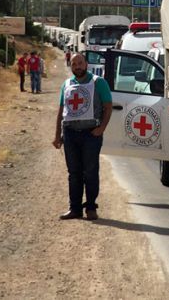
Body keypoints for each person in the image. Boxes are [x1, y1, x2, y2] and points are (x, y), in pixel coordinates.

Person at [52, 53, 112, 220]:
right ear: (71, 66)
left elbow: (108, 107)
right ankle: (75, 208)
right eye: (74, 64)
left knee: (90, 172)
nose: (77, 66)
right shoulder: (67, 84)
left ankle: (91, 207)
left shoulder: (98, 82)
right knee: (74, 173)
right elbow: (61, 111)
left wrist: (101, 128)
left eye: (80, 63)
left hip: (91, 134)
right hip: (70, 134)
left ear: (86, 64)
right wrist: (58, 135)